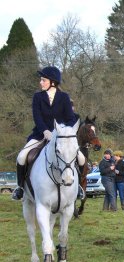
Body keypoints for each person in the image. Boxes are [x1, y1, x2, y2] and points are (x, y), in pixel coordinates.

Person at [11, 66, 86, 200]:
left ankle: (79, 187)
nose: (41, 82)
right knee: (22, 156)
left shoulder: (64, 97)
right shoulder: (37, 97)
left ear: (52, 82)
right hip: (40, 134)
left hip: (61, 137)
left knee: (81, 158)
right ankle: (20, 188)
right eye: (41, 80)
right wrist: (45, 131)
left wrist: (63, 131)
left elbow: (70, 118)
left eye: (43, 80)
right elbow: (37, 117)